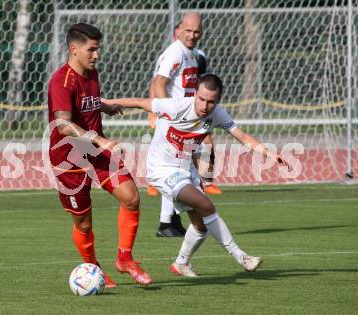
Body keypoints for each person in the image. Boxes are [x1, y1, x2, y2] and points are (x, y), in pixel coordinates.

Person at [102, 73, 289, 276]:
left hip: (186, 169)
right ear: (195, 94)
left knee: (200, 226)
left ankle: (180, 263)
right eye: (201, 99)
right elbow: (139, 102)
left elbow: (242, 137)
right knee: (206, 205)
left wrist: (270, 153)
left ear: (217, 101)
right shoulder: (176, 106)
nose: (205, 105)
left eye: (211, 101)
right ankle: (241, 257)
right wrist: (109, 103)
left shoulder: (217, 114)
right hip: (162, 170)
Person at [47, 23, 152, 287]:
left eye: (98, 49)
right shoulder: (61, 81)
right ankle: (93, 268)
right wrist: (99, 139)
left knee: (131, 197)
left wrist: (105, 106)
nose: (96, 55)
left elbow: (86, 101)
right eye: (91, 50)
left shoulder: (92, 74)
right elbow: (63, 125)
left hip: (96, 154)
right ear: (74, 49)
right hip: (69, 160)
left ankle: (125, 259)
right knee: (83, 223)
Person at [149, 13, 222, 238]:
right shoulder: (175, 52)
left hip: (186, 123)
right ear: (179, 30)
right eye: (188, 31)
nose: (192, 35)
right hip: (176, 123)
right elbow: (158, 82)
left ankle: (170, 222)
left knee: (179, 173)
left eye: (196, 31)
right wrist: (165, 114)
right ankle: (178, 222)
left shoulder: (191, 54)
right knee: (181, 173)